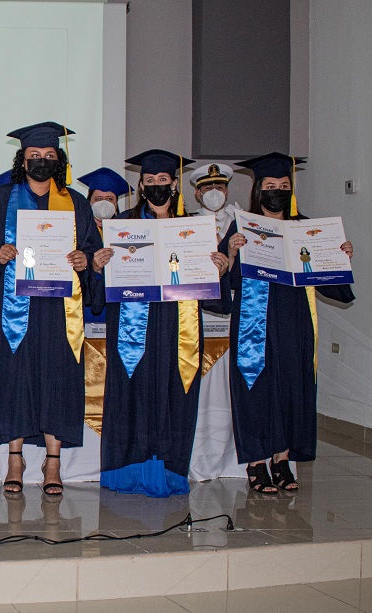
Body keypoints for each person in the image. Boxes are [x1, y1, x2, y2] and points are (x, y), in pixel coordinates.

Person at [0, 121, 103, 495]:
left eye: (49, 156)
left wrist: (85, 260)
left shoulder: (76, 202)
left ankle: (53, 461)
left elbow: (93, 250)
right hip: (13, 305)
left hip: (60, 308)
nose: (42, 162)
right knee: (14, 375)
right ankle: (15, 458)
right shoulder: (0, 200)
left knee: (58, 377)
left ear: (58, 160)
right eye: (35, 156)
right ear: (22, 160)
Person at [97, 149, 231, 497]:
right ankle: (126, 473)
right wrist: (98, 267)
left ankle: (170, 473)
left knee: (174, 389)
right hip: (133, 324)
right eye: (150, 180)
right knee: (132, 391)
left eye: (163, 180)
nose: (157, 185)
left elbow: (213, 296)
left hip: (177, 325)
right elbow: (102, 290)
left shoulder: (194, 229)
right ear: (140, 185)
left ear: (174, 185)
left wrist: (219, 270)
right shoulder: (121, 225)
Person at [221, 152, 354, 493]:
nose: (276, 191)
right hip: (255, 323)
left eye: (283, 185)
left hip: (294, 321)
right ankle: (256, 463)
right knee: (256, 387)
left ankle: (282, 460)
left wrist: (339, 256)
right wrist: (233, 254)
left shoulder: (304, 228)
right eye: (270, 186)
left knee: (292, 387)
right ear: (258, 190)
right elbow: (223, 281)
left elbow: (333, 284)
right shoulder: (243, 226)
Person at [190, 162, 240, 242]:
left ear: (226, 192)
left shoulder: (235, 219)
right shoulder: (189, 221)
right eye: (208, 188)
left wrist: (238, 221)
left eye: (219, 187)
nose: (214, 192)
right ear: (198, 193)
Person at [77, 167, 132, 233]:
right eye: (98, 199)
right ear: (89, 201)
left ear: (116, 204)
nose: (104, 203)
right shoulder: (79, 230)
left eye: (109, 199)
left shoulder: (124, 230)